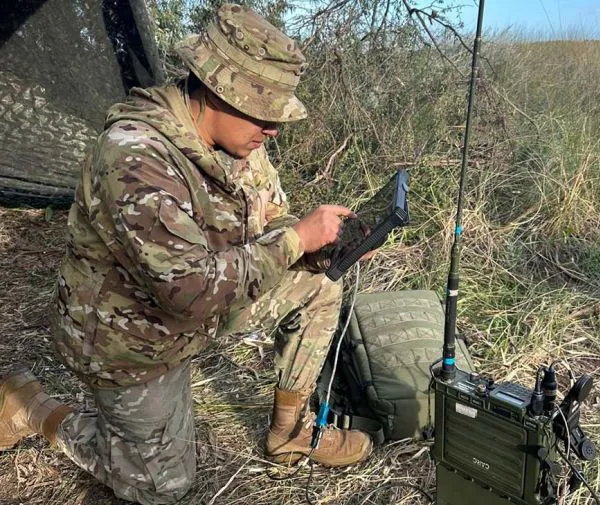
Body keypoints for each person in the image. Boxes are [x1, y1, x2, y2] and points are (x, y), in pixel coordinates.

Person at [0, 4, 372, 504]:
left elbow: (271, 216)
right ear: (216, 92)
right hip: (133, 339)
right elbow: (188, 292)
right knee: (165, 488)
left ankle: (289, 433)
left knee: (322, 285)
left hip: (204, 304)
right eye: (264, 113)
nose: (273, 129)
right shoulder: (136, 156)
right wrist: (294, 242)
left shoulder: (241, 140)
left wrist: (317, 250)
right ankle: (33, 407)